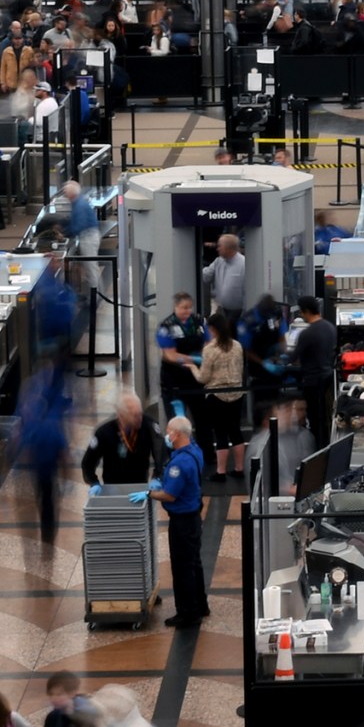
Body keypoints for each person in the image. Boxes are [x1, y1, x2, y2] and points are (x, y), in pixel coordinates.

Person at [141, 415, 208, 626]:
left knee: (182, 567)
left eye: (169, 431)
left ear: (177, 434)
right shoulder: (195, 451)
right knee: (194, 563)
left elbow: (170, 495)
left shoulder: (179, 464)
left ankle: (188, 612)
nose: (166, 436)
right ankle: (200, 604)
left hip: (182, 521)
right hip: (194, 516)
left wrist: (149, 494)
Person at [193, 310, 247, 480]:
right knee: (236, 431)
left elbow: (203, 377)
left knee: (220, 433)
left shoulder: (210, 349)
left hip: (217, 396)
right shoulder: (237, 346)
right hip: (237, 394)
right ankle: (239, 468)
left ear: (213, 329)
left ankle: (221, 471)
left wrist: (192, 367)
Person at [80, 392, 159, 489]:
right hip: (113, 487)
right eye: (134, 416)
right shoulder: (104, 433)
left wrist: (157, 477)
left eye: (140, 414)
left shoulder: (149, 426)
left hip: (140, 486)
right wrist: (93, 482)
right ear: (121, 415)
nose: (139, 419)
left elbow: (161, 455)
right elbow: (88, 462)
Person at [291, 296, 338, 441]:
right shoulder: (330, 327)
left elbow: (294, 358)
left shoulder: (307, 333)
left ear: (305, 311)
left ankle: (315, 448)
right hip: (328, 379)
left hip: (312, 382)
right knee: (325, 417)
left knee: (314, 418)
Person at [203, 232, 249, 318]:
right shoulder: (218, 261)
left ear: (229, 248)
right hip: (221, 310)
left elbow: (248, 291)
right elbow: (205, 276)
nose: (217, 249)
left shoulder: (244, 264)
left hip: (238, 313)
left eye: (220, 246)